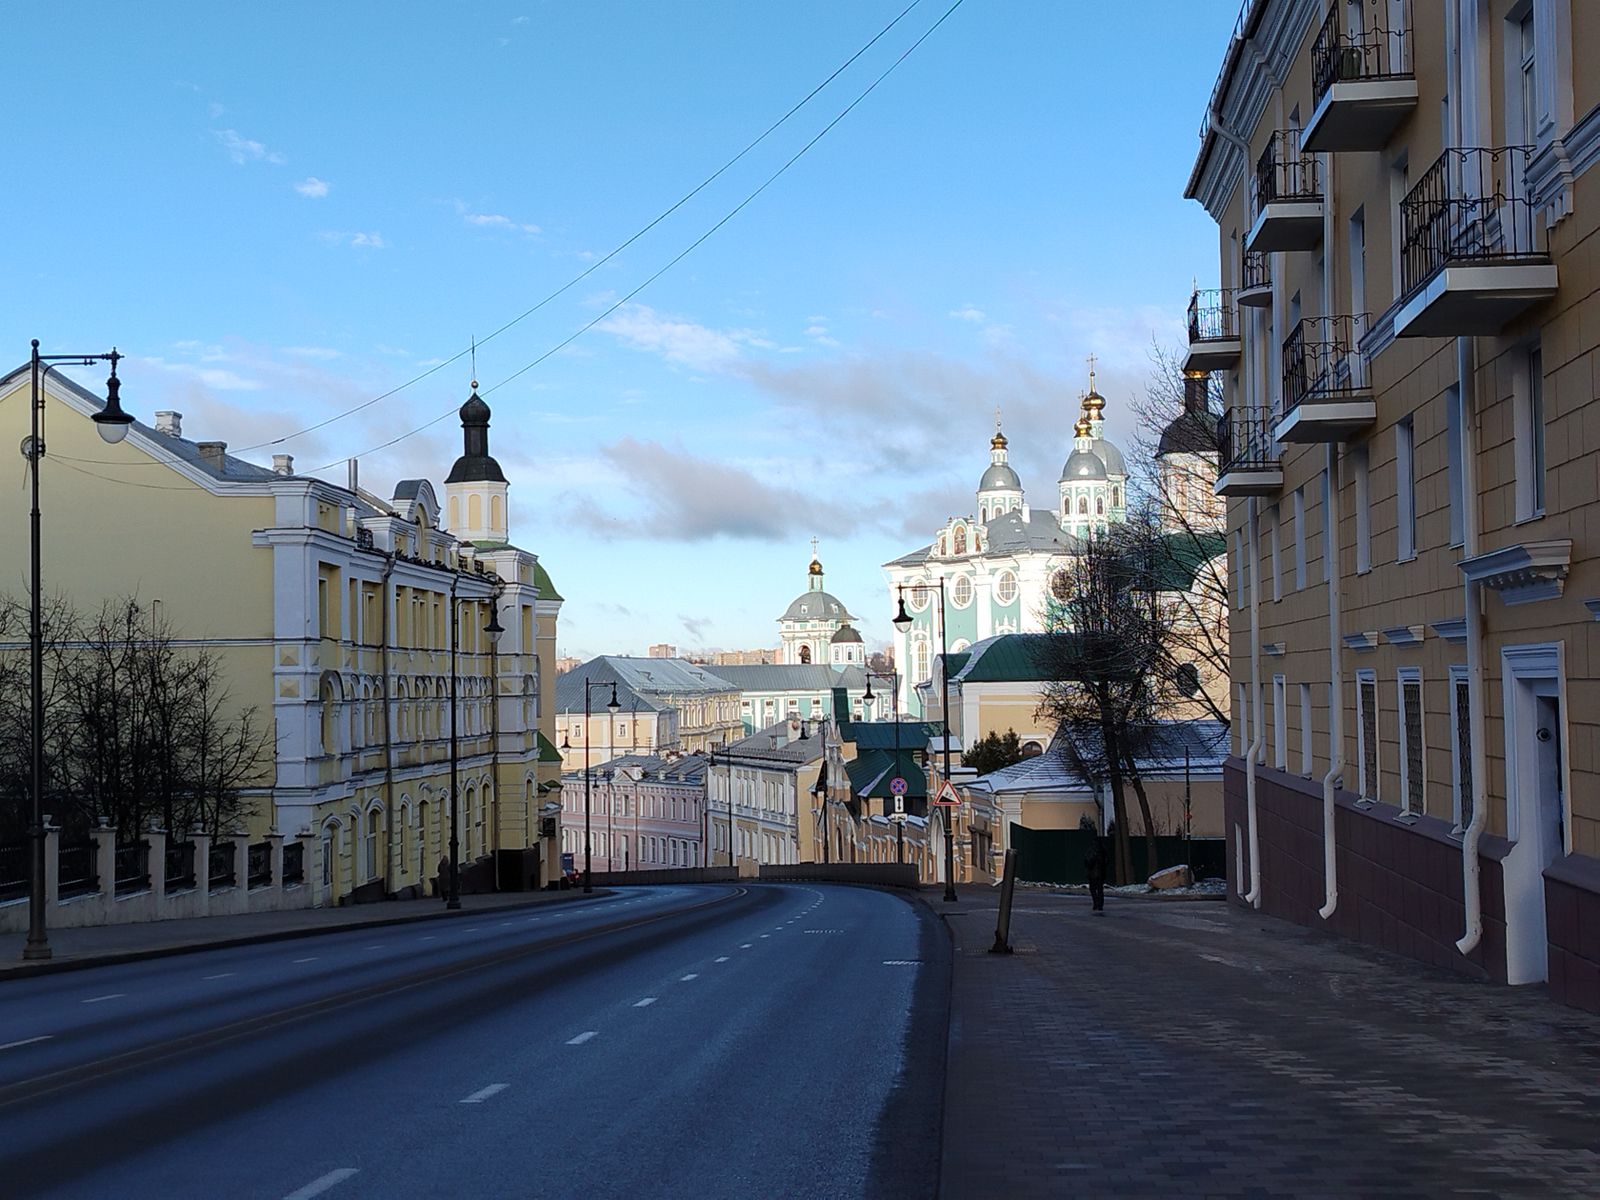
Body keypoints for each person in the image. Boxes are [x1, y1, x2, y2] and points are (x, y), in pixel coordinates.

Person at [1084, 841, 1107, 914]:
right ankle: (1099, 904)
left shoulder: (1092, 852)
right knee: (1099, 889)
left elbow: (1088, 862)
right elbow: (1106, 862)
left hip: (1093, 874)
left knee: (1093, 889)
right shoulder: (1103, 852)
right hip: (1100, 874)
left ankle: (1096, 903)